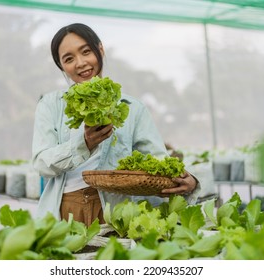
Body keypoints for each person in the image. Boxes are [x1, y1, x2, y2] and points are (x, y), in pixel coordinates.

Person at [32, 23, 200, 226]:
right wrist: (84, 143)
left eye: (86, 51)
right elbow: (42, 164)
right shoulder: (50, 105)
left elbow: (157, 161)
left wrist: (189, 181)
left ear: (100, 49)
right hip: (66, 208)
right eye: (69, 59)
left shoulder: (133, 108)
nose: (80, 63)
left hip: (116, 209)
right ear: (62, 68)